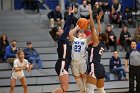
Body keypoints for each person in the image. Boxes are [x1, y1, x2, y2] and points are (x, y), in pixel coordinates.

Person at [68, 12, 103, 92]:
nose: (82, 33)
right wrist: (77, 27)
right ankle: (82, 90)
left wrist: (91, 25)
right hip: (73, 62)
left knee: (84, 76)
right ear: (77, 35)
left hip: (82, 61)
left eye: (83, 33)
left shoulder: (86, 40)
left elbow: (97, 33)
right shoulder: (74, 39)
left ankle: (85, 90)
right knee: (77, 77)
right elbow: (70, 33)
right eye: (80, 33)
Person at [49, 7, 74, 93]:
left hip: (63, 63)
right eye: (60, 29)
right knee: (64, 88)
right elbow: (67, 26)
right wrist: (70, 14)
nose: (62, 29)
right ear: (57, 33)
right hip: (62, 63)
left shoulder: (63, 39)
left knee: (64, 89)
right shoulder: (61, 39)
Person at [86, 7, 107, 93]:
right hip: (100, 68)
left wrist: (91, 15)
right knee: (101, 91)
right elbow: (100, 30)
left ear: (100, 37)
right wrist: (98, 20)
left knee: (89, 91)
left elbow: (92, 27)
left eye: (98, 34)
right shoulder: (103, 43)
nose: (97, 33)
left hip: (93, 66)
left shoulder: (96, 42)